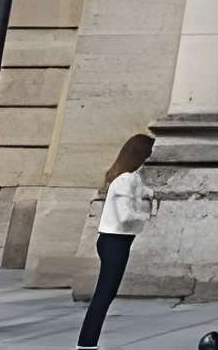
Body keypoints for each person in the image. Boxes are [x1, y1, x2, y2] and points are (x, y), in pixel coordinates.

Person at [78, 133, 156, 349]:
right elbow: (126, 215)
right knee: (104, 295)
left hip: (113, 241)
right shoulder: (127, 180)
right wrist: (147, 214)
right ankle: (86, 344)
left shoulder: (127, 178)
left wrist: (149, 195)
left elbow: (140, 192)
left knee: (105, 294)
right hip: (116, 241)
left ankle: (87, 343)